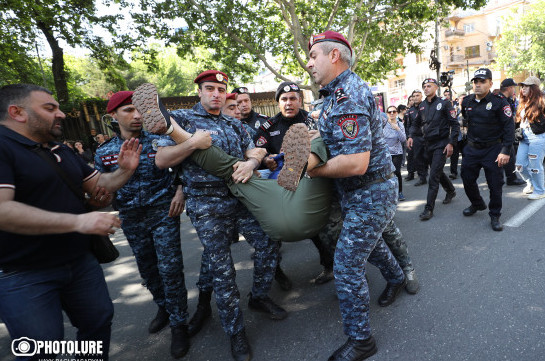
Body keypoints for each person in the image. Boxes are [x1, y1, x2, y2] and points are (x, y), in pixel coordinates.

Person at [149, 71, 287, 361]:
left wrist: (251, 162)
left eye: (221, 89)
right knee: (223, 272)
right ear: (198, 91)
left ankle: (259, 297)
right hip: (206, 205)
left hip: (241, 198)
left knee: (269, 243)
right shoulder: (181, 120)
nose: (216, 94)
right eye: (209, 88)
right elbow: (162, 160)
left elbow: (255, 149)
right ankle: (235, 333)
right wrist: (191, 144)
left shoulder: (233, 124)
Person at [0, 84, 142, 361]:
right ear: (17, 112)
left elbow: (100, 183)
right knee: (41, 348)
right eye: (50, 108)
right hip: (22, 272)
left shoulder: (58, 149)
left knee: (98, 322)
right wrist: (79, 222)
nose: (62, 114)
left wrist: (125, 170)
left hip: (78, 262)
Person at [306, 31, 406, 361]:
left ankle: (361, 340)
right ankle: (396, 276)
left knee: (347, 264)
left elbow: (356, 162)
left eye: (313, 56)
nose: (309, 63)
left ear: (333, 56)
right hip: (358, 192)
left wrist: (314, 170)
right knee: (373, 246)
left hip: (371, 190)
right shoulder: (334, 96)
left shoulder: (348, 94)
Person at [94, 91, 190, 358]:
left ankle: (179, 323)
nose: (137, 116)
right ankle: (163, 306)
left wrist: (180, 190)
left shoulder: (160, 141)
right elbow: (100, 188)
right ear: (113, 115)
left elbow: (183, 167)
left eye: (139, 110)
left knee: (170, 269)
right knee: (147, 270)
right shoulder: (105, 152)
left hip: (163, 212)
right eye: (128, 111)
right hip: (131, 218)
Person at [255, 81, 338, 286]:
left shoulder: (314, 121)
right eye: (284, 99)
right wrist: (267, 160)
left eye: (293, 99)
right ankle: (277, 274)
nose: (289, 103)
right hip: (279, 187)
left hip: (312, 182)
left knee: (321, 230)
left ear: (300, 101)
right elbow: (257, 153)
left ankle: (331, 267)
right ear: (278, 103)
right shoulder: (268, 127)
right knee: (273, 234)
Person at [461, 68, 514, 231]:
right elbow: (465, 121)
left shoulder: (499, 102)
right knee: (467, 178)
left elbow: (508, 127)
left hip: (493, 149)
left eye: (482, 81)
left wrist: (505, 150)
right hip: (472, 148)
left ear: (490, 83)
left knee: (495, 184)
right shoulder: (467, 101)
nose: (478, 85)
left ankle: (495, 215)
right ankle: (477, 203)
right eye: (475, 81)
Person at [407, 78, 459, 221]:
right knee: (437, 170)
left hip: (441, 144)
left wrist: (451, 143)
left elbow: (454, 125)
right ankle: (451, 190)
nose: (426, 88)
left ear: (436, 87)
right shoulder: (422, 106)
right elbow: (415, 123)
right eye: (424, 86)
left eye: (429, 86)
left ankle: (428, 209)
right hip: (427, 144)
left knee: (433, 176)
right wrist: (411, 135)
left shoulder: (444, 103)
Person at [514, 76, 545, 200]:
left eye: (526, 86)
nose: (523, 88)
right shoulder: (522, 101)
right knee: (519, 165)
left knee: (535, 165)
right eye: (522, 86)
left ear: (534, 88)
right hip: (524, 137)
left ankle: (540, 190)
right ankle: (531, 183)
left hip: (537, 137)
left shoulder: (542, 100)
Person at [498, 78, 526, 186]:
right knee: (508, 155)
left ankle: (511, 177)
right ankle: (511, 178)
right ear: (509, 88)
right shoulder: (502, 100)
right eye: (513, 87)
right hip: (502, 134)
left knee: (510, 155)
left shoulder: (506, 99)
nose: (514, 90)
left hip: (503, 134)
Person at [384, 105, 406, 201]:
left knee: (397, 172)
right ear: (387, 114)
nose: (392, 113)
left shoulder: (400, 124)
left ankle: (400, 192)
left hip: (397, 152)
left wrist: (397, 129)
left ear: (397, 113)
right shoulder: (383, 124)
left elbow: (403, 139)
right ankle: (390, 193)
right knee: (387, 173)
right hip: (386, 153)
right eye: (389, 112)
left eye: (394, 111)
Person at [406, 89, 428, 185]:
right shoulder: (410, 111)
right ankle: (422, 177)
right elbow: (409, 125)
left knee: (428, 156)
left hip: (427, 137)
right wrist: (409, 137)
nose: (415, 97)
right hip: (416, 138)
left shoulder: (426, 106)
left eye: (417, 95)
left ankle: (432, 174)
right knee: (418, 157)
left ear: (421, 96)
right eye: (414, 96)